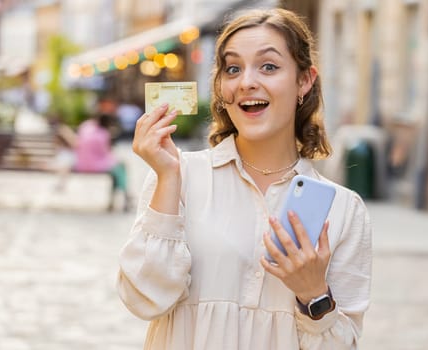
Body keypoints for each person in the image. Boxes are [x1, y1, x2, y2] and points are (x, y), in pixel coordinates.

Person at [117, 8, 371, 349]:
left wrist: (313, 294)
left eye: (269, 66)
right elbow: (144, 299)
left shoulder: (343, 209)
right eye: (232, 68)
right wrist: (166, 178)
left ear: (304, 80)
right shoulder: (179, 175)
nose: (246, 82)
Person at [74, 113, 130, 211]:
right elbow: (105, 153)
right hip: (95, 165)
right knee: (120, 168)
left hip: (81, 163)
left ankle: (120, 198)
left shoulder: (86, 126)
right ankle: (125, 195)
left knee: (117, 169)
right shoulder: (103, 134)